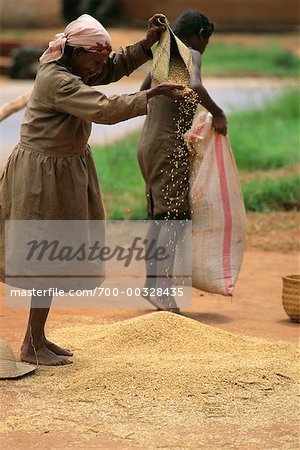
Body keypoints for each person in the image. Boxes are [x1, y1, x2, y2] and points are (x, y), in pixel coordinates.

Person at [0, 13, 184, 366]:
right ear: (74, 52)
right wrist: (148, 97)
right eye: (94, 60)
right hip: (42, 176)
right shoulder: (57, 80)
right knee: (45, 255)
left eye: (99, 61)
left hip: (63, 169)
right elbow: (103, 107)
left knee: (50, 255)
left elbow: (110, 68)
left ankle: (35, 338)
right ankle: (31, 345)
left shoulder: (75, 66)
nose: (98, 67)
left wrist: (148, 45)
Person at [137, 10, 228, 313]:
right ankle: (161, 289)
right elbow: (198, 86)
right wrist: (218, 113)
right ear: (201, 35)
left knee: (158, 217)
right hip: (167, 147)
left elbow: (142, 93)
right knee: (173, 218)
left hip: (148, 145)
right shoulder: (190, 52)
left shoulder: (165, 51)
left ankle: (153, 285)